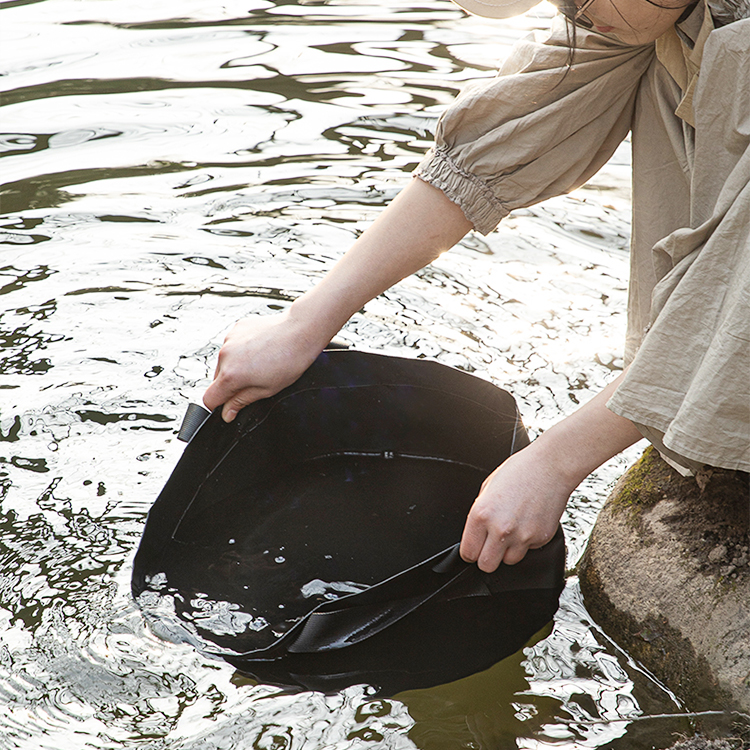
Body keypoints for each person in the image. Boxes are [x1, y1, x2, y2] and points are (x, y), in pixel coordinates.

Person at [202, 0, 750, 573]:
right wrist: (303, 324)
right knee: (640, 53)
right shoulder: (633, 11)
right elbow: (490, 146)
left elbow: (731, 304)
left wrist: (554, 463)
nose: (574, 11)